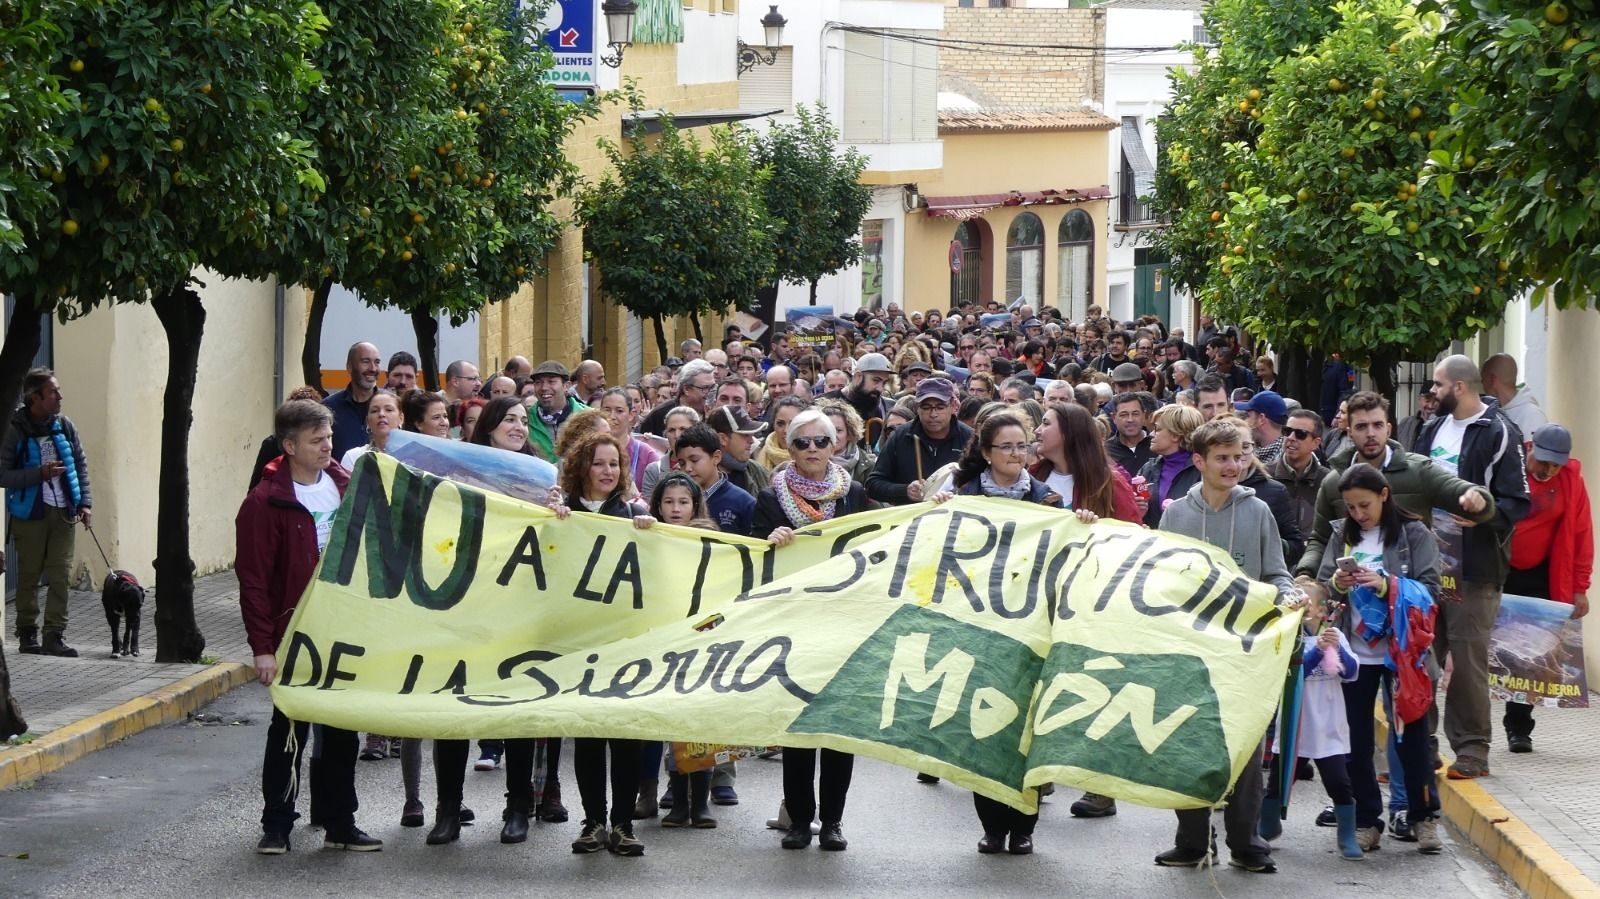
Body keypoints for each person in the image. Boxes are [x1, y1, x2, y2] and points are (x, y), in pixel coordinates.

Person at [236, 400, 380, 854]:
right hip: (292, 632)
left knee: (341, 729)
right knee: (290, 731)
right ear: (289, 445)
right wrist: (263, 647)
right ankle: (277, 823)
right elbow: (254, 581)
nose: (328, 447)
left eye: (330, 438)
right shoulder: (265, 502)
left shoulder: (345, 486)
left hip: (341, 628)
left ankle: (340, 821)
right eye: (317, 440)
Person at [1154, 418, 1293, 874]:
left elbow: (1277, 573)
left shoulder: (1258, 513)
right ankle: (1193, 840)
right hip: (1190, 651)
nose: (1234, 465)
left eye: (1240, 455)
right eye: (1223, 457)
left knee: (1247, 752)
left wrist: (1287, 594)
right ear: (1199, 462)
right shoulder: (1175, 515)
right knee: (1189, 744)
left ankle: (1245, 842)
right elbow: (1160, 580)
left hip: (1245, 651)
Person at [1313, 463, 1446, 855]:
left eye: (1365, 505)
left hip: (1404, 654)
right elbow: (1324, 590)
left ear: (1385, 495)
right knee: (1355, 741)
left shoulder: (1414, 533)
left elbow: (1433, 590)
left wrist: (1387, 584)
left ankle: (1423, 817)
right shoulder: (1341, 535)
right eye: (1351, 507)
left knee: (1414, 740)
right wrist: (1337, 584)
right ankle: (1368, 820)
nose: (1358, 514)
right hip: (1356, 654)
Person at [755, 410, 872, 852]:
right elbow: (750, 555)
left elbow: (878, 544)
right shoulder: (770, 498)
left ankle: (834, 821)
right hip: (796, 623)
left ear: (834, 445)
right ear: (789, 446)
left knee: (838, 729)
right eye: (801, 442)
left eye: (820, 441)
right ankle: (800, 819)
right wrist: (773, 538)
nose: (811, 451)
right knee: (799, 730)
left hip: (845, 623)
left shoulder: (855, 493)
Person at [1414, 355, 1530, 779]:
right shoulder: (1430, 430)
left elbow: (1518, 501)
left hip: (1475, 568)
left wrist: (1484, 513)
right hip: (1428, 564)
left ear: (1459, 387)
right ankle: (1418, 747)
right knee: (1420, 655)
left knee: (1466, 660)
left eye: (1438, 385)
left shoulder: (1500, 431)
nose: (1433, 392)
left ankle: (1472, 751)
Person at [547, 431, 648, 856]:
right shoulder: (561, 512)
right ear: (581, 468)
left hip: (623, 641)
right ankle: (593, 821)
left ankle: (623, 823)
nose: (608, 471)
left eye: (615, 464)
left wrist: (649, 529)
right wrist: (549, 523)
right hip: (578, 640)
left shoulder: (632, 513)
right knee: (587, 734)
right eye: (599, 463)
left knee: (624, 735)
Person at [1296, 391, 1492, 579]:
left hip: (1408, 596)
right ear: (1350, 433)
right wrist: (1305, 573)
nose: (1371, 433)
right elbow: (1320, 539)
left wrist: (1478, 499)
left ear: (1388, 429)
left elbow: (1463, 492)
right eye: (1362, 427)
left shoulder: (1418, 471)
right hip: (1354, 596)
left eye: (1377, 425)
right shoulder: (1333, 482)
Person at [629, 472, 722, 828]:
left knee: (696, 721)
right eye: (668, 502)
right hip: (662, 639)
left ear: (695, 505)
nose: (676, 508)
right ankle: (675, 799)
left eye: (683, 502)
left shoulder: (711, 538)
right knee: (665, 717)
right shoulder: (650, 536)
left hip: (701, 639)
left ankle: (700, 801)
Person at [1503, 424, 1591, 752]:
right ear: (1530, 448)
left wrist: (1579, 588)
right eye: (1542, 461)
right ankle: (1474, 729)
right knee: (1485, 649)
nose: (1547, 469)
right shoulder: (1509, 468)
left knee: (1527, 656)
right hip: (1500, 569)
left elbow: (1582, 535)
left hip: (1541, 575)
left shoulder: (1570, 482)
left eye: (1555, 464)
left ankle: (1519, 728)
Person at [1257, 585, 1362, 860]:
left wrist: (1337, 649)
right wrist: (1318, 652)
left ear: (1320, 610)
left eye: (1305, 601)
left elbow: (1351, 673)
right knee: (1280, 782)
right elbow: (1294, 671)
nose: (1298, 605)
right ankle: (1267, 826)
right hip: (1295, 727)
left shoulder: (1335, 635)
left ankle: (1346, 835)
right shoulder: (1287, 637)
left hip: (1328, 728)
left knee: (1339, 782)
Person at [3, 368, 92, 656]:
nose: (60, 396)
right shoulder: (14, 429)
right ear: (35, 398)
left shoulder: (65, 426)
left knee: (60, 574)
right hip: (29, 513)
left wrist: (85, 503)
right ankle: (28, 634)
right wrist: (38, 474)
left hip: (64, 511)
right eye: (53, 392)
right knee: (29, 576)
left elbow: (80, 465)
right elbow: (2, 475)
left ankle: (54, 635)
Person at [867, 378, 973, 505]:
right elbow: (873, 485)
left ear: (953, 406)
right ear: (917, 408)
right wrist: (905, 490)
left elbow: (984, 483)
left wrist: (958, 494)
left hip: (955, 518)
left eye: (940, 407)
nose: (933, 414)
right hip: (910, 519)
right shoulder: (901, 436)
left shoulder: (969, 438)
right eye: (926, 407)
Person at [673, 423, 755, 536]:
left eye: (694, 460)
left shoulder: (744, 503)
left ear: (716, 457)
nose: (687, 468)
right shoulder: (674, 499)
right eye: (682, 463)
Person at [1136, 404, 1205, 529]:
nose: (1151, 434)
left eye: (1157, 429)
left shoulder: (1203, 470)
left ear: (1176, 434)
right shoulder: (1148, 469)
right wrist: (1138, 513)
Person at [1268, 409, 1329, 539]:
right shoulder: (1264, 476)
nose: (1290, 438)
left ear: (1316, 443)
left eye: (1300, 434)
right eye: (1287, 431)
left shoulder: (1328, 481)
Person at [324, 341, 383, 459]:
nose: (373, 368)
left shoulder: (391, 406)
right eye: (365, 361)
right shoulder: (327, 408)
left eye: (377, 362)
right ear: (349, 366)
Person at [598, 387, 660, 495]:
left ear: (631, 415)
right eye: (607, 410)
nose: (612, 416)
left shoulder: (647, 455)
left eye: (619, 411)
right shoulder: (588, 450)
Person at [526, 360, 587, 462]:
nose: (544, 388)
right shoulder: (526, 419)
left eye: (551, 381)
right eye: (538, 382)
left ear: (567, 386)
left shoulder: (587, 417)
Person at [638, 360, 716, 436]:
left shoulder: (717, 413)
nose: (711, 392)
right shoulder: (658, 416)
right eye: (705, 388)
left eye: (713, 386)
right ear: (686, 389)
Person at [710, 404, 771, 501]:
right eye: (745, 435)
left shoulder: (758, 471)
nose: (751, 441)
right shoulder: (699, 473)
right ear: (723, 439)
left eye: (751, 435)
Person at [1481, 353, 1548, 439]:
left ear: (1493, 379)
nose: (1482, 385)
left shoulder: (1533, 416)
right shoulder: (1494, 412)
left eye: (1483, 380)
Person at [640, 407, 701, 500]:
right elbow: (647, 508)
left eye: (683, 429)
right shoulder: (655, 470)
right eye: (671, 430)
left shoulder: (706, 465)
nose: (677, 435)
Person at [338, 389, 400, 473]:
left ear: (401, 418)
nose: (381, 414)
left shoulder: (415, 455)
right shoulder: (353, 457)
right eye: (374, 411)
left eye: (388, 410)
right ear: (368, 421)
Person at [1105, 392, 1155, 480]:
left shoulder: (1157, 446)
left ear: (1144, 415)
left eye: (1135, 414)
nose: (1130, 419)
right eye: (1124, 415)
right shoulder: (1105, 451)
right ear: (1114, 418)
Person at [755, 395, 809, 472]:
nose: (786, 430)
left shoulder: (814, 456)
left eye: (793, 424)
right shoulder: (756, 453)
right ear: (773, 424)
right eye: (780, 424)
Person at [1237, 390, 1288, 464]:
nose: (1245, 421)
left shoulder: (1285, 461)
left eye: (1248, 416)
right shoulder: (1250, 453)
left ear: (1261, 419)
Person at [1395, 388, 1438, 452]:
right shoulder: (1405, 423)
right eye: (1427, 400)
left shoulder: (1445, 425)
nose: (1431, 406)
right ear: (1419, 399)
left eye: (1435, 401)